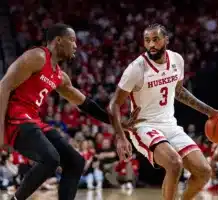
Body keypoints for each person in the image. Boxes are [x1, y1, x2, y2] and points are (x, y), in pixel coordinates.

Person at [0, 23, 141, 200]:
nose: (76, 45)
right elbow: (3, 86)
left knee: (76, 161)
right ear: (58, 41)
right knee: (50, 158)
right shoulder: (37, 56)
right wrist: (0, 132)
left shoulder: (60, 76)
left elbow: (86, 104)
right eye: (72, 40)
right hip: (14, 118)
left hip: (32, 119)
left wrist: (119, 123)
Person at [108, 23, 218, 200]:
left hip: (170, 125)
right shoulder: (136, 69)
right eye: (147, 40)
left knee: (204, 172)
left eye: (155, 39)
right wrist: (120, 137)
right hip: (144, 126)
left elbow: (178, 91)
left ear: (166, 40)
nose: (151, 45)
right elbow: (113, 105)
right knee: (174, 164)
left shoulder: (177, 60)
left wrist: (209, 112)